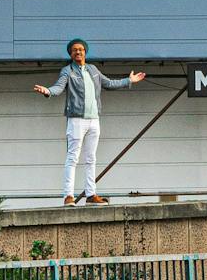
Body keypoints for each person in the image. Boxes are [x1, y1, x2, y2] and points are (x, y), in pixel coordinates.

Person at [34, 39, 145, 205]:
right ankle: (68, 196)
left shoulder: (93, 69)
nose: (78, 52)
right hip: (76, 119)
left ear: (85, 52)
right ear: (70, 54)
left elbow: (109, 83)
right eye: (74, 50)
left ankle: (91, 195)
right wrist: (48, 91)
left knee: (91, 158)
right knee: (73, 158)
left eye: (80, 50)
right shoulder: (67, 71)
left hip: (94, 119)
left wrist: (129, 81)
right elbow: (58, 87)